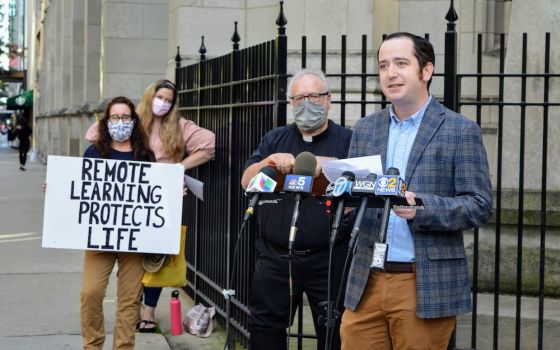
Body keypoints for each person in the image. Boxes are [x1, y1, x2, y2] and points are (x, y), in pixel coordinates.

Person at [339, 32, 493, 349]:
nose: (390, 73)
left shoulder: (459, 130)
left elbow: (479, 205)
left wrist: (420, 207)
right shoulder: (366, 129)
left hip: (422, 282)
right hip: (366, 280)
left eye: (401, 63)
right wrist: (346, 199)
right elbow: (358, 195)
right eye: (383, 65)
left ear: (426, 71)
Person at [86, 79, 215, 332]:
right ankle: (131, 306)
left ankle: (149, 312)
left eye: (169, 100)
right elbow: (93, 135)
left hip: (161, 197)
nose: (163, 103)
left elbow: (209, 144)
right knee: (128, 253)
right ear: (149, 96)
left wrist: (178, 168)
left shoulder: (179, 126)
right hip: (125, 196)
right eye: (160, 97)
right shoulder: (132, 119)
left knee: (155, 257)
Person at [241, 69, 352, 350]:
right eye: (299, 97)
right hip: (275, 257)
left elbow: (364, 184)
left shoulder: (349, 140)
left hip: (329, 259)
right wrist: (268, 160)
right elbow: (247, 181)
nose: (307, 103)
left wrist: (322, 164)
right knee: (265, 331)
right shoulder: (274, 139)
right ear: (291, 102)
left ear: (328, 99)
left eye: (314, 96)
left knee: (335, 333)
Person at [80, 96, 156, 349]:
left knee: (129, 299)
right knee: (91, 293)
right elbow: (79, 188)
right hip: (100, 236)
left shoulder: (145, 155)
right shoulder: (94, 153)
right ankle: (92, 344)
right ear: (107, 121)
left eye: (125, 117)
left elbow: (155, 193)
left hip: (134, 239)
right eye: (115, 117)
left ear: (133, 121)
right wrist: (57, 187)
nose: (120, 122)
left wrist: (173, 194)